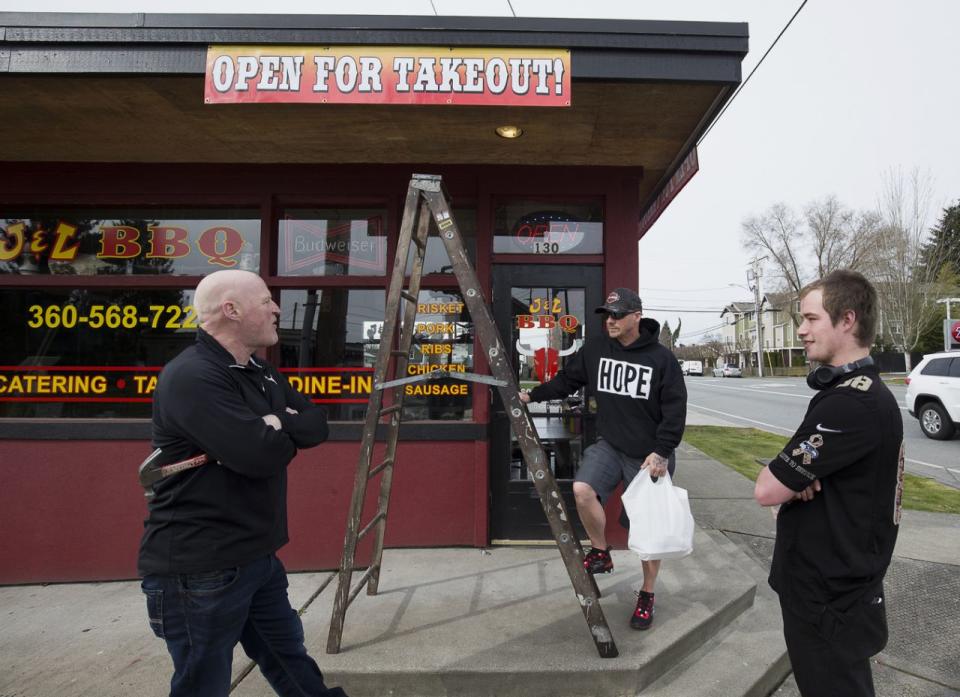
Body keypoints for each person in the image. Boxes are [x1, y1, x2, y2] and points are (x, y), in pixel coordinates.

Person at [138, 269, 348, 697]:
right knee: (204, 684)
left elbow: (316, 424)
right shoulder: (193, 376)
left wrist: (275, 425)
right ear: (231, 310)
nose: (275, 308)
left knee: (291, 661)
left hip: (257, 556)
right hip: (200, 569)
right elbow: (260, 456)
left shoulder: (260, 372)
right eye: (267, 300)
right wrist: (274, 429)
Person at [754, 270, 903, 697]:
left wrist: (790, 480)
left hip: (828, 597)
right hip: (833, 589)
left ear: (847, 320)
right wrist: (796, 478)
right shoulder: (856, 396)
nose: (801, 330)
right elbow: (785, 481)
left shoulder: (850, 404)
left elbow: (767, 489)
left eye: (811, 318)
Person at [519, 287, 687, 630]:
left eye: (618, 315)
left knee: (647, 533)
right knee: (582, 489)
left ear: (636, 317)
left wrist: (662, 451)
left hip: (650, 455)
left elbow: (675, 411)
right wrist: (532, 394)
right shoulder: (596, 349)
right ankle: (600, 550)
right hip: (611, 445)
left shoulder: (661, 359)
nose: (610, 321)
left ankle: (647, 594)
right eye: (607, 315)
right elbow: (568, 381)